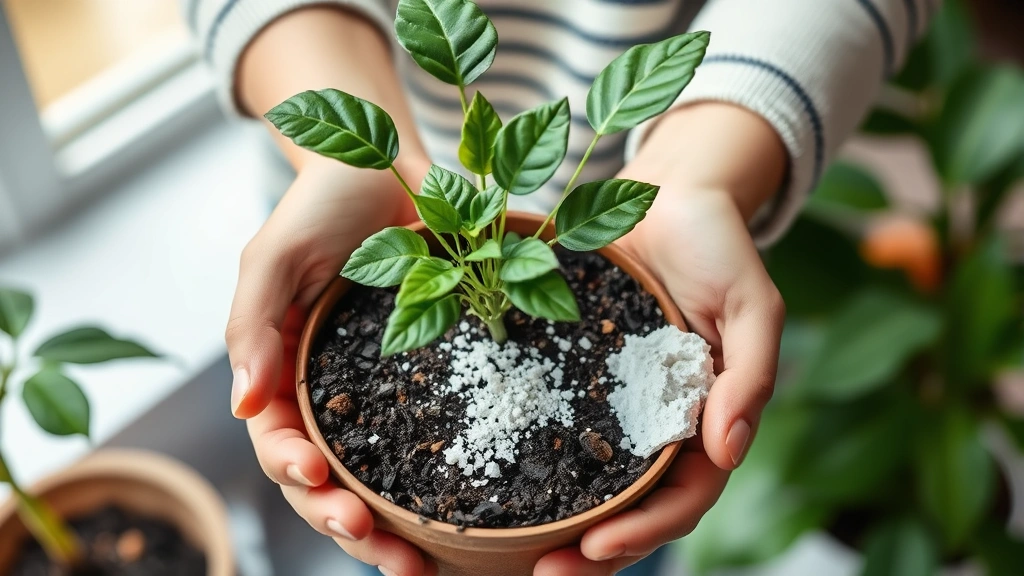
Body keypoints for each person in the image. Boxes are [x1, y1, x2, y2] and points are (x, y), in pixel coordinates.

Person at [193, 0, 934, 573]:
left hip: (684, 149)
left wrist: (703, 172)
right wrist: (339, 163)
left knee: (607, 557)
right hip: (351, 217)